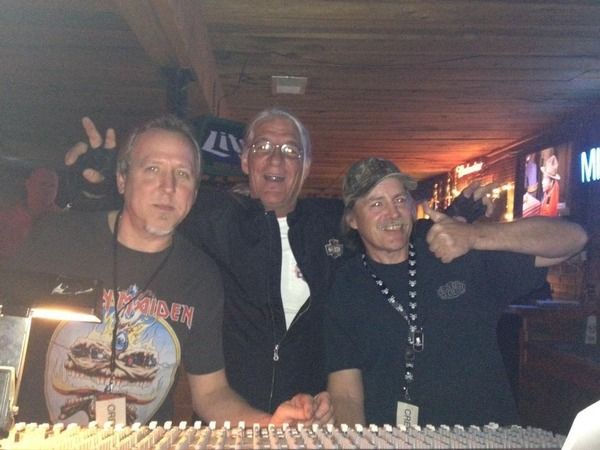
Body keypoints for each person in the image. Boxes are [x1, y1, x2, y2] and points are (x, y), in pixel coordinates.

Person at [63, 109, 491, 417]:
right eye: (263, 147)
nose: (275, 158)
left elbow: (388, 229)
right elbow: (149, 209)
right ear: (245, 161)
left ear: (305, 166)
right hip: (228, 419)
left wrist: (453, 221)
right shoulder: (210, 215)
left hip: (307, 417)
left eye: (289, 149)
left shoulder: (331, 223)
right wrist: (95, 187)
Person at [7, 115, 328, 427]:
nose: (168, 187)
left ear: (194, 193)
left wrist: (269, 424)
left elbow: (211, 394)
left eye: (182, 175)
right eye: (152, 169)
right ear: (122, 179)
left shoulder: (200, 276)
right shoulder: (58, 239)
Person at [325, 157, 588, 427]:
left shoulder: (455, 252)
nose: (393, 214)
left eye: (400, 200)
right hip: (394, 440)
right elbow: (345, 393)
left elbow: (574, 238)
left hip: (485, 437)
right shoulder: (347, 285)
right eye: (376, 204)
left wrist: (475, 236)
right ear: (352, 219)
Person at [0, 167, 62, 263]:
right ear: (28, 184)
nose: (47, 190)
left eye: (52, 186)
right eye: (43, 184)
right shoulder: (6, 217)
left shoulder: (64, 222)